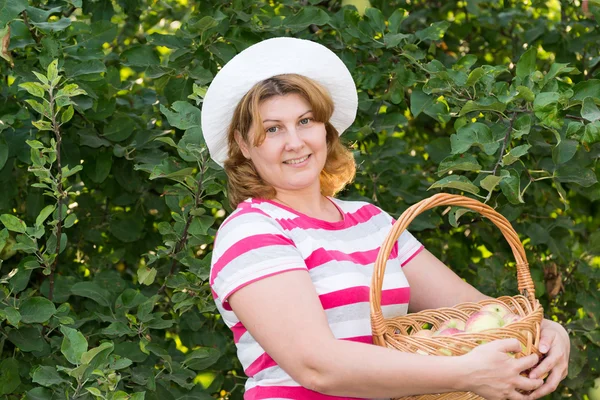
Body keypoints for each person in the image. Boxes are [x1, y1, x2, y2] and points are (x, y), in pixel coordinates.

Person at [201, 37, 570, 400]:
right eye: (273, 129)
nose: (295, 142)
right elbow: (316, 366)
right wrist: (466, 373)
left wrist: (545, 330)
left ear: (325, 129)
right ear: (245, 144)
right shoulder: (252, 231)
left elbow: (474, 308)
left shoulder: (371, 221)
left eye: (306, 121)